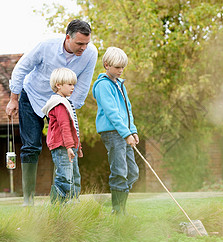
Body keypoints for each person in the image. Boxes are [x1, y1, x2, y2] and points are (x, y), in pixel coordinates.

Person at [5, 19, 98, 206]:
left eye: (86, 44)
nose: (83, 48)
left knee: (65, 144)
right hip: (31, 96)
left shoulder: (90, 53)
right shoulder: (46, 46)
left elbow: (83, 84)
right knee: (31, 146)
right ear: (67, 38)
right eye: (79, 44)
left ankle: (66, 196)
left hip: (60, 101)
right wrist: (14, 98)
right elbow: (21, 68)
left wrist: (69, 108)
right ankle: (28, 198)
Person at [92, 47, 139, 215]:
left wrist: (132, 130)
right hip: (113, 133)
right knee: (119, 171)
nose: (120, 71)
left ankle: (119, 206)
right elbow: (112, 113)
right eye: (117, 67)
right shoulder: (103, 85)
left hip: (124, 132)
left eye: (122, 67)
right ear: (106, 65)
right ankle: (118, 212)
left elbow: (128, 109)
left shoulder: (120, 84)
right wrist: (125, 134)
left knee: (132, 172)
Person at [42, 68, 82, 203]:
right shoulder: (58, 104)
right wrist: (70, 147)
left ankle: (73, 203)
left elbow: (73, 127)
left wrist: (77, 146)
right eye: (69, 84)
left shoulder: (67, 102)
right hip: (62, 146)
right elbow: (64, 126)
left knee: (75, 176)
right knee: (65, 177)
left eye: (73, 84)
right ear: (58, 85)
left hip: (70, 146)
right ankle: (58, 207)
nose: (73, 88)